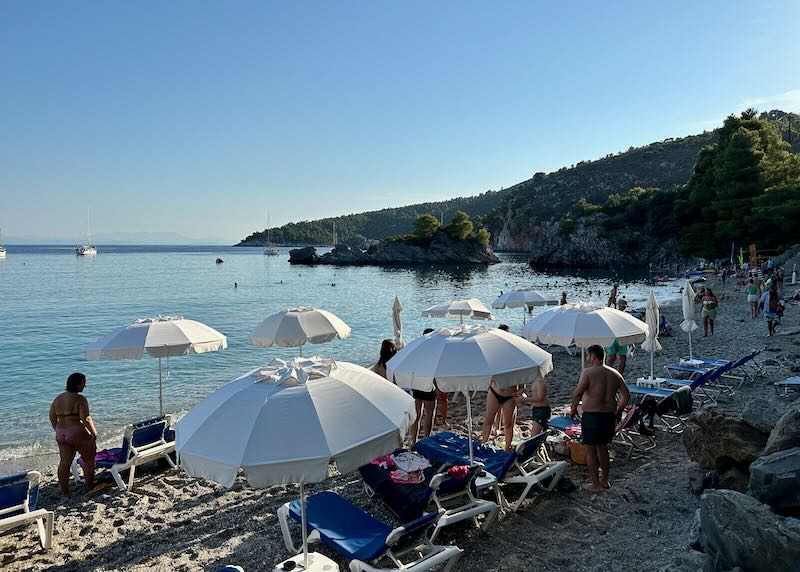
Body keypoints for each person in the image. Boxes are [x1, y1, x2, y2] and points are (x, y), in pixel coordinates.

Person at [570, 345, 630, 493]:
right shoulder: (615, 373)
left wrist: (573, 408)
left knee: (590, 450)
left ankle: (595, 484)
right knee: (602, 447)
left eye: (588, 356)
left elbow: (578, 392)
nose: (587, 358)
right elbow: (626, 395)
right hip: (608, 416)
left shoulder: (588, 372)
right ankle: (605, 480)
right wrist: (619, 410)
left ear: (593, 356)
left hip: (592, 416)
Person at [49, 372, 98, 495]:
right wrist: (93, 433)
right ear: (77, 384)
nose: (84, 386)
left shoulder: (58, 398)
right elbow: (86, 418)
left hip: (61, 433)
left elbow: (52, 416)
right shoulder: (80, 399)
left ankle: (65, 491)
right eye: (83, 384)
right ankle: (89, 487)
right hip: (76, 431)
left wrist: (58, 429)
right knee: (88, 460)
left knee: (64, 463)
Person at [409, 329, 437, 442]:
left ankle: (413, 440)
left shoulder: (416, 351)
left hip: (416, 384)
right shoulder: (435, 352)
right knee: (429, 414)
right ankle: (426, 439)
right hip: (429, 385)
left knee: (416, 415)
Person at [482, 377, 519, 451]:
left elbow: (522, 386)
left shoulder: (517, 367)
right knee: (488, 421)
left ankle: (508, 447)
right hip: (494, 392)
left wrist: (519, 393)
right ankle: (483, 444)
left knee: (508, 424)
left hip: (509, 395)